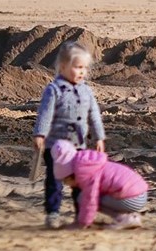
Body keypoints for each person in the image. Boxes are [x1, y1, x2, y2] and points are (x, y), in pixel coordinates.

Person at [33, 41, 106, 229]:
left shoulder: (86, 91)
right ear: (63, 67)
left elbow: (94, 115)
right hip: (55, 147)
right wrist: (40, 134)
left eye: (84, 68)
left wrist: (99, 137)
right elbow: (45, 114)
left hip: (77, 147)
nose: (81, 72)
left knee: (79, 182)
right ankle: (53, 213)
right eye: (77, 67)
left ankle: (81, 214)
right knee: (54, 181)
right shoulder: (54, 90)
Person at [52, 140, 149, 230]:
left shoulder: (87, 175)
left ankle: (124, 218)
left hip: (133, 199)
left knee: (83, 198)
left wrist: (82, 223)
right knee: (96, 197)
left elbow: (90, 200)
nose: (68, 185)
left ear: (70, 175)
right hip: (141, 194)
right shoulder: (90, 165)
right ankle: (131, 216)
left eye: (66, 181)